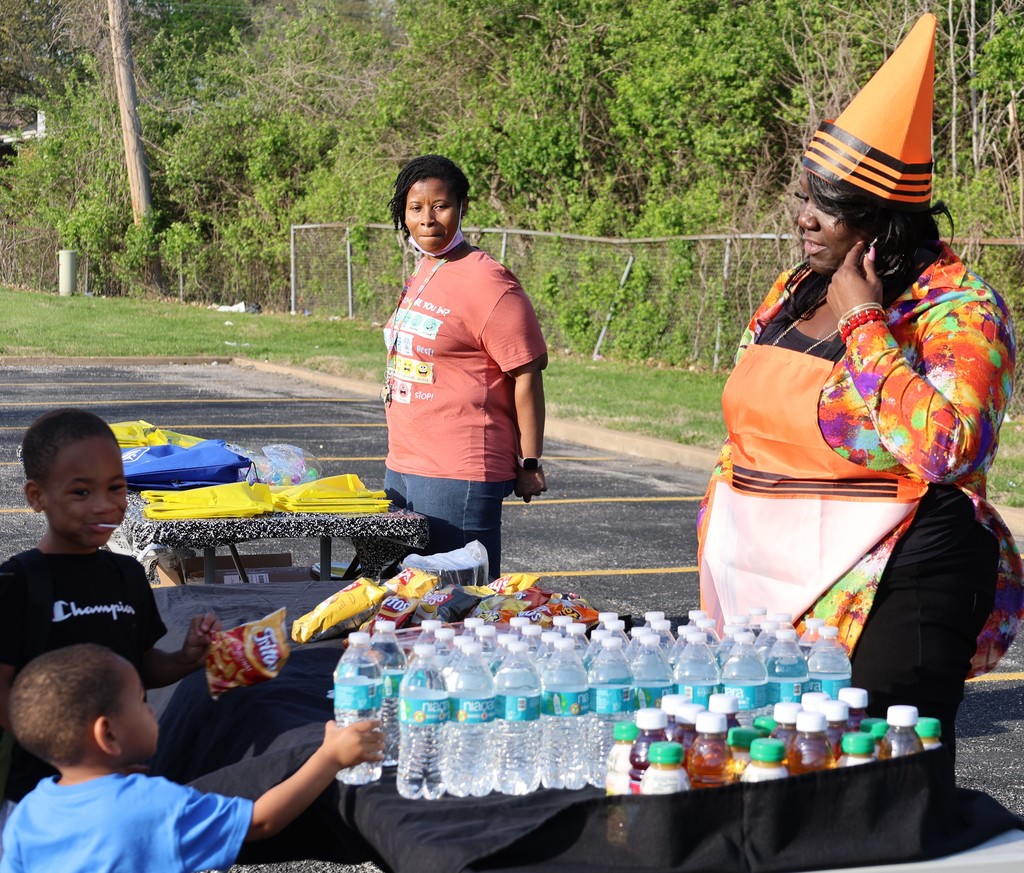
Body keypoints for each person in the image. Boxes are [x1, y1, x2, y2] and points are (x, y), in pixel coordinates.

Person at [697, 14, 1024, 754]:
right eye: (805, 197)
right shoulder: (790, 288)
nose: (805, 218)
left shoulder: (960, 311)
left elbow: (949, 449)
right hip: (774, 587)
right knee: (770, 773)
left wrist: (866, 325)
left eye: (829, 207)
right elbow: (747, 424)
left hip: (901, 578)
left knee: (872, 783)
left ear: (882, 226)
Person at [0, 409, 220, 810]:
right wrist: (70, 760)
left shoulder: (127, 573)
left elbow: (141, 667)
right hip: (41, 796)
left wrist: (186, 658)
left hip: (122, 787)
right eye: (81, 493)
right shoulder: (18, 583)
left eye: (116, 488)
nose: (105, 505)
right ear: (37, 497)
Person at [0, 643, 383, 872]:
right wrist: (329, 756)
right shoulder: (153, 805)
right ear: (108, 733)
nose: (150, 710)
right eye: (140, 702)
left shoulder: (28, 811)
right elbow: (261, 822)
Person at [382, 154, 548, 577]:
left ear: (462, 208)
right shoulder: (426, 269)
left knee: (459, 604)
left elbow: (525, 374)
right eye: (415, 208)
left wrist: (529, 462)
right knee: (411, 603)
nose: (428, 219)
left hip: (458, 471)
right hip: (404, 463)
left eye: (440, 206)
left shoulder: (488, 281)